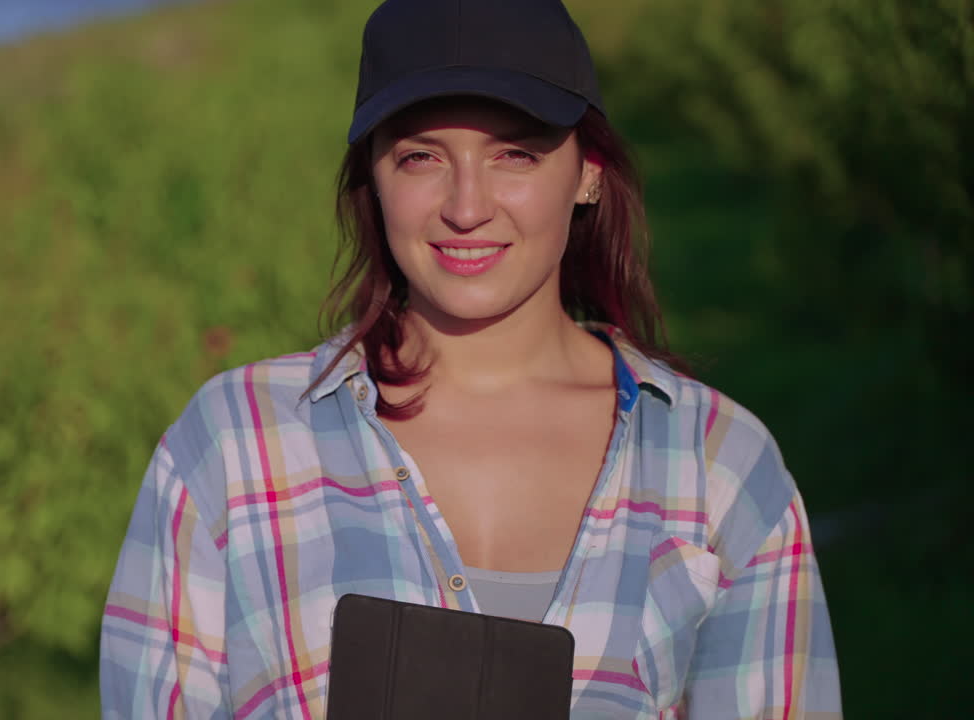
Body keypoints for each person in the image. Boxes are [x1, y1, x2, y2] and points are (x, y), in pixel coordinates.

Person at [100, 0, 842, 717]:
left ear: (588, 172)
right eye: (421, 156)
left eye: (514, 153)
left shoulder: (721, 468)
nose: (465, 205)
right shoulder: (230, 451)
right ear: (374, 180)